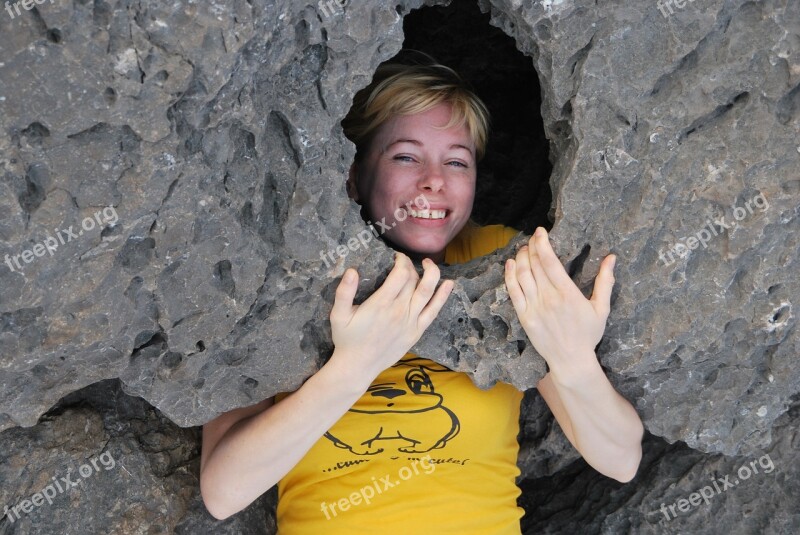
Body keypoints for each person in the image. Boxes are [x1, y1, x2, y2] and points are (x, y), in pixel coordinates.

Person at [200, 53, 644, 533]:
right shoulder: (287, 275)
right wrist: (353, 369)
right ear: (354, 174)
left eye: (457, 161)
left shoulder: (506, 264)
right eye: (406, 156)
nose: (434, 180)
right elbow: (224, 494)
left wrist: (574, 359)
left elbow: (620, 460)